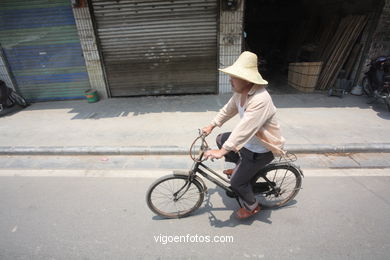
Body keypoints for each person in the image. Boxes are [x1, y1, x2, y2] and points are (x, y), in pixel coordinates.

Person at [202, 51, 285, 219]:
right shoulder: (241, 93)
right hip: (248, 143)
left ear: (246, 79)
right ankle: (241, 167)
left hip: (260, 149)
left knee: (236, 183)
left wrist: (222, 152)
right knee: (220, 138)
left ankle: (252, 206)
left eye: (234, 77)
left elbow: (244, 129)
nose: (230, 80)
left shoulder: (261, 99)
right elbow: (228, 110)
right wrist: (212, 125)